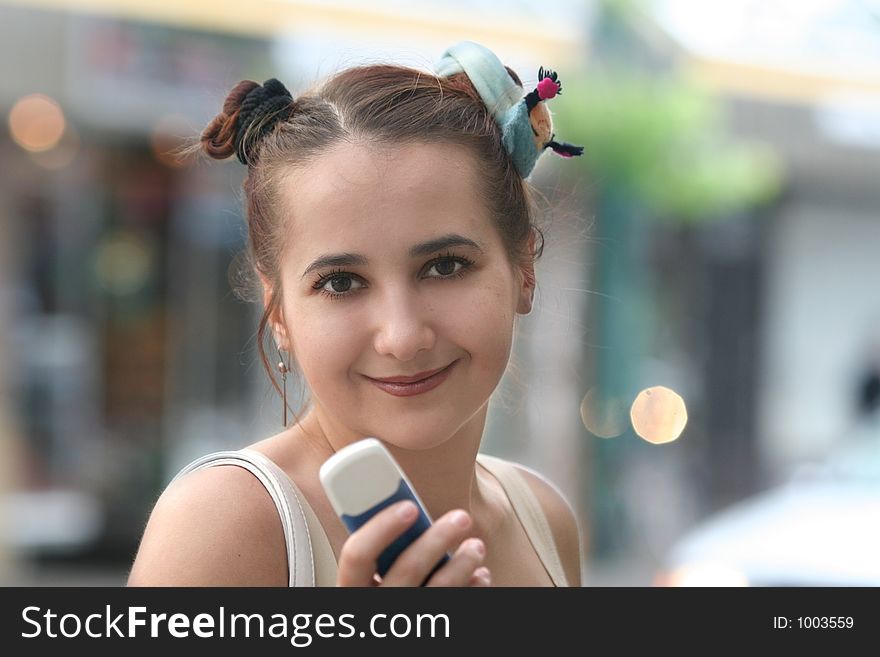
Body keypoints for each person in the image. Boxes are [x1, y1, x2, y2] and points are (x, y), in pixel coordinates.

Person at [128, 41, 584, 587]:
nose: (403, 336)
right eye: (341, 283)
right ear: (278, 312)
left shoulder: (545, 520)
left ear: (523, 270)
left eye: (445, 266)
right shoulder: (226, 524)